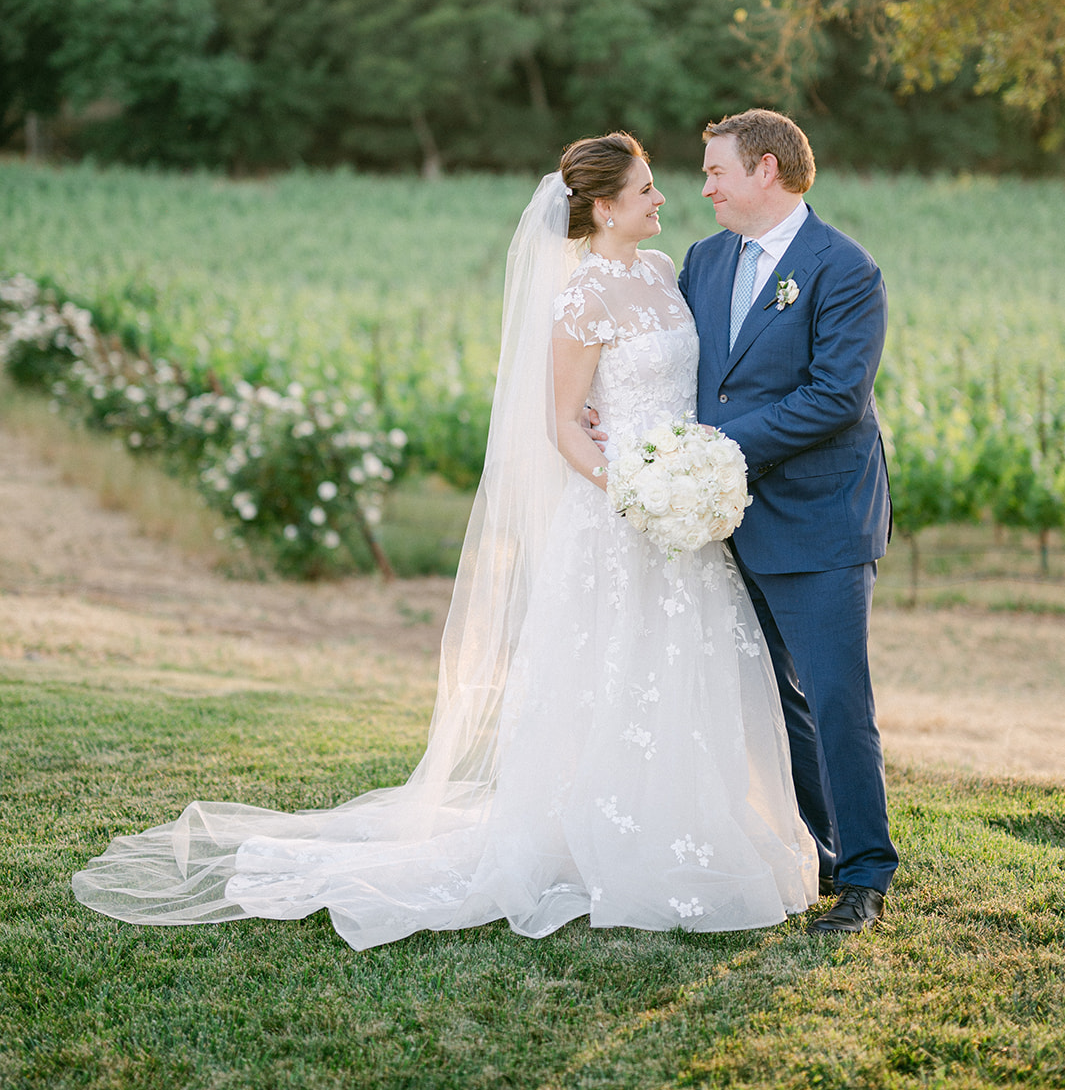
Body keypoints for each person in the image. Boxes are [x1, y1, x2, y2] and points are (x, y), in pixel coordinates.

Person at [72, 134, 817, 950]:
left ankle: (688, 826)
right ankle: (598, 837)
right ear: (603, 207)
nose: (661, 199)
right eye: (644, 190)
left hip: (680, 512)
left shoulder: (666, 271)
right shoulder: (582, 296)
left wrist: (683, 482)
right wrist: (631, 491)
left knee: (684, 668)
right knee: (611, 669)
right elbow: (562, 423)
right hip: (620, 513)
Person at [678, 109, 897, 934]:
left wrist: (710, 446)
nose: (703, 188)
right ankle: (822, 852)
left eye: (715, 173)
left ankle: (867, 880)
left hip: (820, 517)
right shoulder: (702, 261)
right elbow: (684, 370)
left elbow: (836, 396)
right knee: (774, 699)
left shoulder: (843, 268)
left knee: (837, 697)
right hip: (721, 517)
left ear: (765, 170)